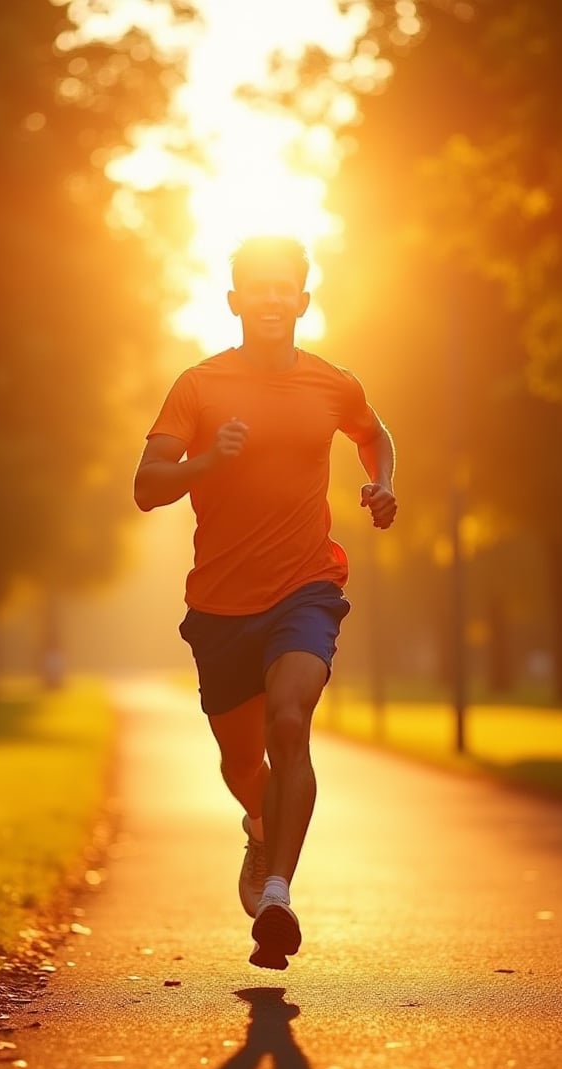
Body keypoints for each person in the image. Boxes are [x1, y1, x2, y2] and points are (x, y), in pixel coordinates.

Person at [133, 234, 397, 970]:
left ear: (304, 300)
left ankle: (277, 894)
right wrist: (207, 459)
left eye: (286, 287)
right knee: (244, 763)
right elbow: (146, 485)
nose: (273, 298)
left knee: (291, 721)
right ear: (235, 301)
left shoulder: (333, 384)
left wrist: (383, 483)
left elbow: (375, 437)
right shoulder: (199, 386)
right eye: (258, 286)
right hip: (220, 606)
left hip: (305, 588)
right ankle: (258, 825)